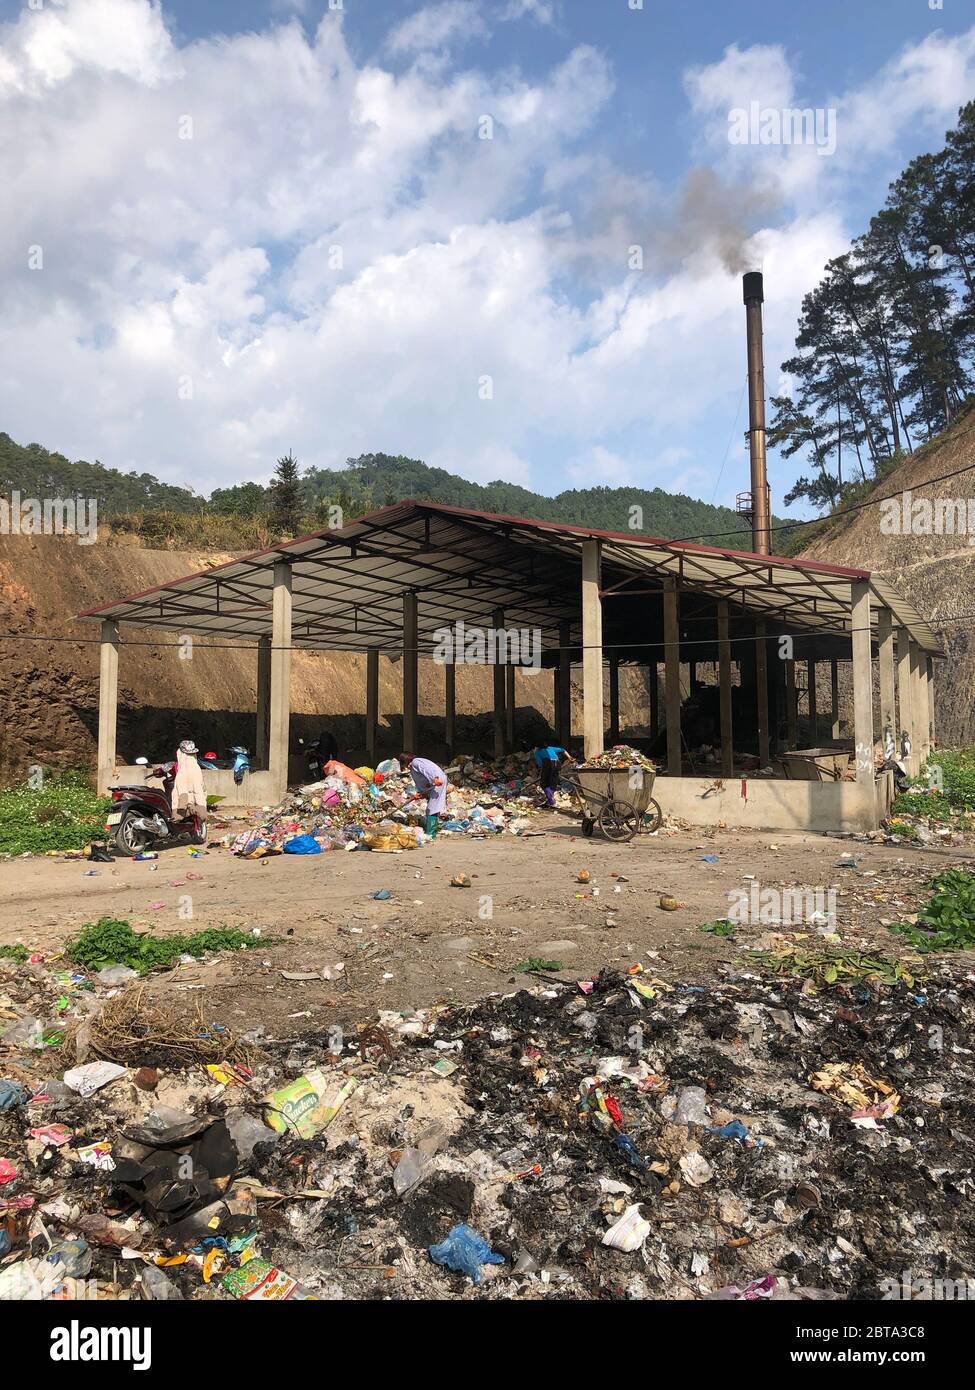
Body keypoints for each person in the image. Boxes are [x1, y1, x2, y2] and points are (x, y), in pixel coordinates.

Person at [399, 752, 448, 838]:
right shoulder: (413, 768)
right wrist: (421, 793)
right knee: (433, 807)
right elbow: (422, 781)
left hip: (437, 781)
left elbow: (428, 770)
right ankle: (432, 832)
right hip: (433, 784)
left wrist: (435, 778)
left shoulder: (416, 762)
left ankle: (431, 834)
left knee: (432, 808)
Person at [173, 739, 208, 821]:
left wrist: (182, 804)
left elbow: (181, 786)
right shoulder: (196, 767)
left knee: (177, 822)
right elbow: (200, 787)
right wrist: (201, 805)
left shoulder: (183, 767)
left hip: (184, 803)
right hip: (197, 801)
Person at [533, 742, 571, 808]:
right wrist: (570, 757)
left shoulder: (537, 752)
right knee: (553, 783)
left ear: (537, 747)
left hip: (547, 764)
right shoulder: (550, 748)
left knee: (544, 784)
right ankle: (550, 798)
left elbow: (540, 764)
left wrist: (544, 772)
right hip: (557, 765)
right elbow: (563, 750)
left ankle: (551, 802)